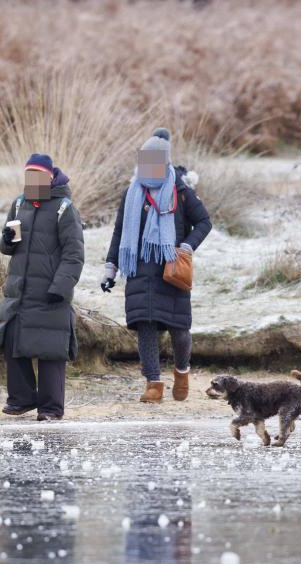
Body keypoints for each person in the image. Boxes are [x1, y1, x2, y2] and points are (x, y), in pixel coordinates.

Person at [102, 128, 212, 403]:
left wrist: (186, 246)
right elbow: (119, 233)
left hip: (171, 269)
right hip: (139, 270)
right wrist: (110, 268)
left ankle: (182, 371)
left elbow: (204, 222)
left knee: (179, 329)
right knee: (145, 327)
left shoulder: (181, 190)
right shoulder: (131, 193)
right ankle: (153, 383)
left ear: (164, 160)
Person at [0, 154, 85, 421]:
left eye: (37, 176)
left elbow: (74, 254)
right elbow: (7, 247)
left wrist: (61, 287)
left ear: (49, 178)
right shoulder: (19, 204)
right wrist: (7, 240)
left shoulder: (64, 209)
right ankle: (22, 398)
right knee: (12, 340)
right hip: (19, 290)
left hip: (51, 293)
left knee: (51, 349)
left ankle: (51, 409)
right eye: (28, 176)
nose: (32, 181)